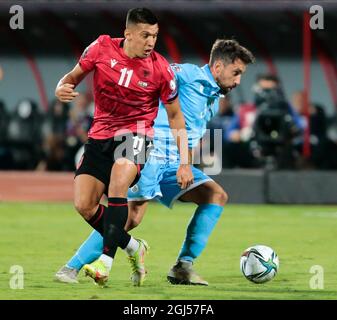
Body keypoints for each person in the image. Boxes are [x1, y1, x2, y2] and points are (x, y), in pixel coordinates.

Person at [55, 39, 255, 286]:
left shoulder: (213, 99)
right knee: (129, 218)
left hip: (173, 163)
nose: (238, 81)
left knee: (215, 195)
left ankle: (183, 267)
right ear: (217, 68)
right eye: (236, 73)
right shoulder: (186, 74)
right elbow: (154, 72)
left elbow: (188, 135)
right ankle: (72, 266)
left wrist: (185, 164)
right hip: (147, 151)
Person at [54, 7, 193, 287]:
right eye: (145, 35)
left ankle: (104, 263)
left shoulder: (161, 69)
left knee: (119, 181)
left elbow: (176, 116)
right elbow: (69, 79)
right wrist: (61, 88)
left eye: (154, 35)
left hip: (138, 134)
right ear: (128, 33)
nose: (151, 42)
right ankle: (133, 247)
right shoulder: (101, 47)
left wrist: (185, 161)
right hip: (100, 136)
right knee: (84, 205)